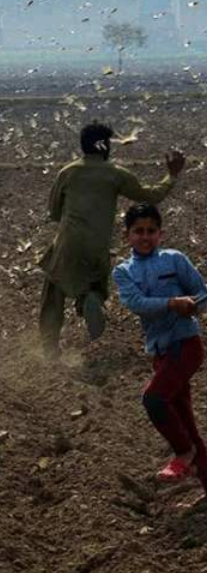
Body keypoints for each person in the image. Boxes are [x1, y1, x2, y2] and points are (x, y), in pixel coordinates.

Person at [38, 121, 185, 358]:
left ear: (83, 146)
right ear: (105, 146)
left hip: (68, 244)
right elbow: (150, 196)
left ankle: (49, 349)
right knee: (93, 284)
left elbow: (54, 212)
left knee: (54, 291)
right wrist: (171, 175)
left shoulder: (68, 172)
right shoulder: (116, 174)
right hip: (98, 246)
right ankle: (90, 299)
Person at [113, 204, 207, 504]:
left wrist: (192, 304)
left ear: (160, 233)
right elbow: (136, 303)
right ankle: (199, 468)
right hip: (162, 352)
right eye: (138, 231)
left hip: (186, 344)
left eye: (151, 231)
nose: (145, 237)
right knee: (185, 421)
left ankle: (183, 453)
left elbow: (202, 291)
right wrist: (170, 304)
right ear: (126, 235)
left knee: (153, 399)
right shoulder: (123, 272)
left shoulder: (175, 259)